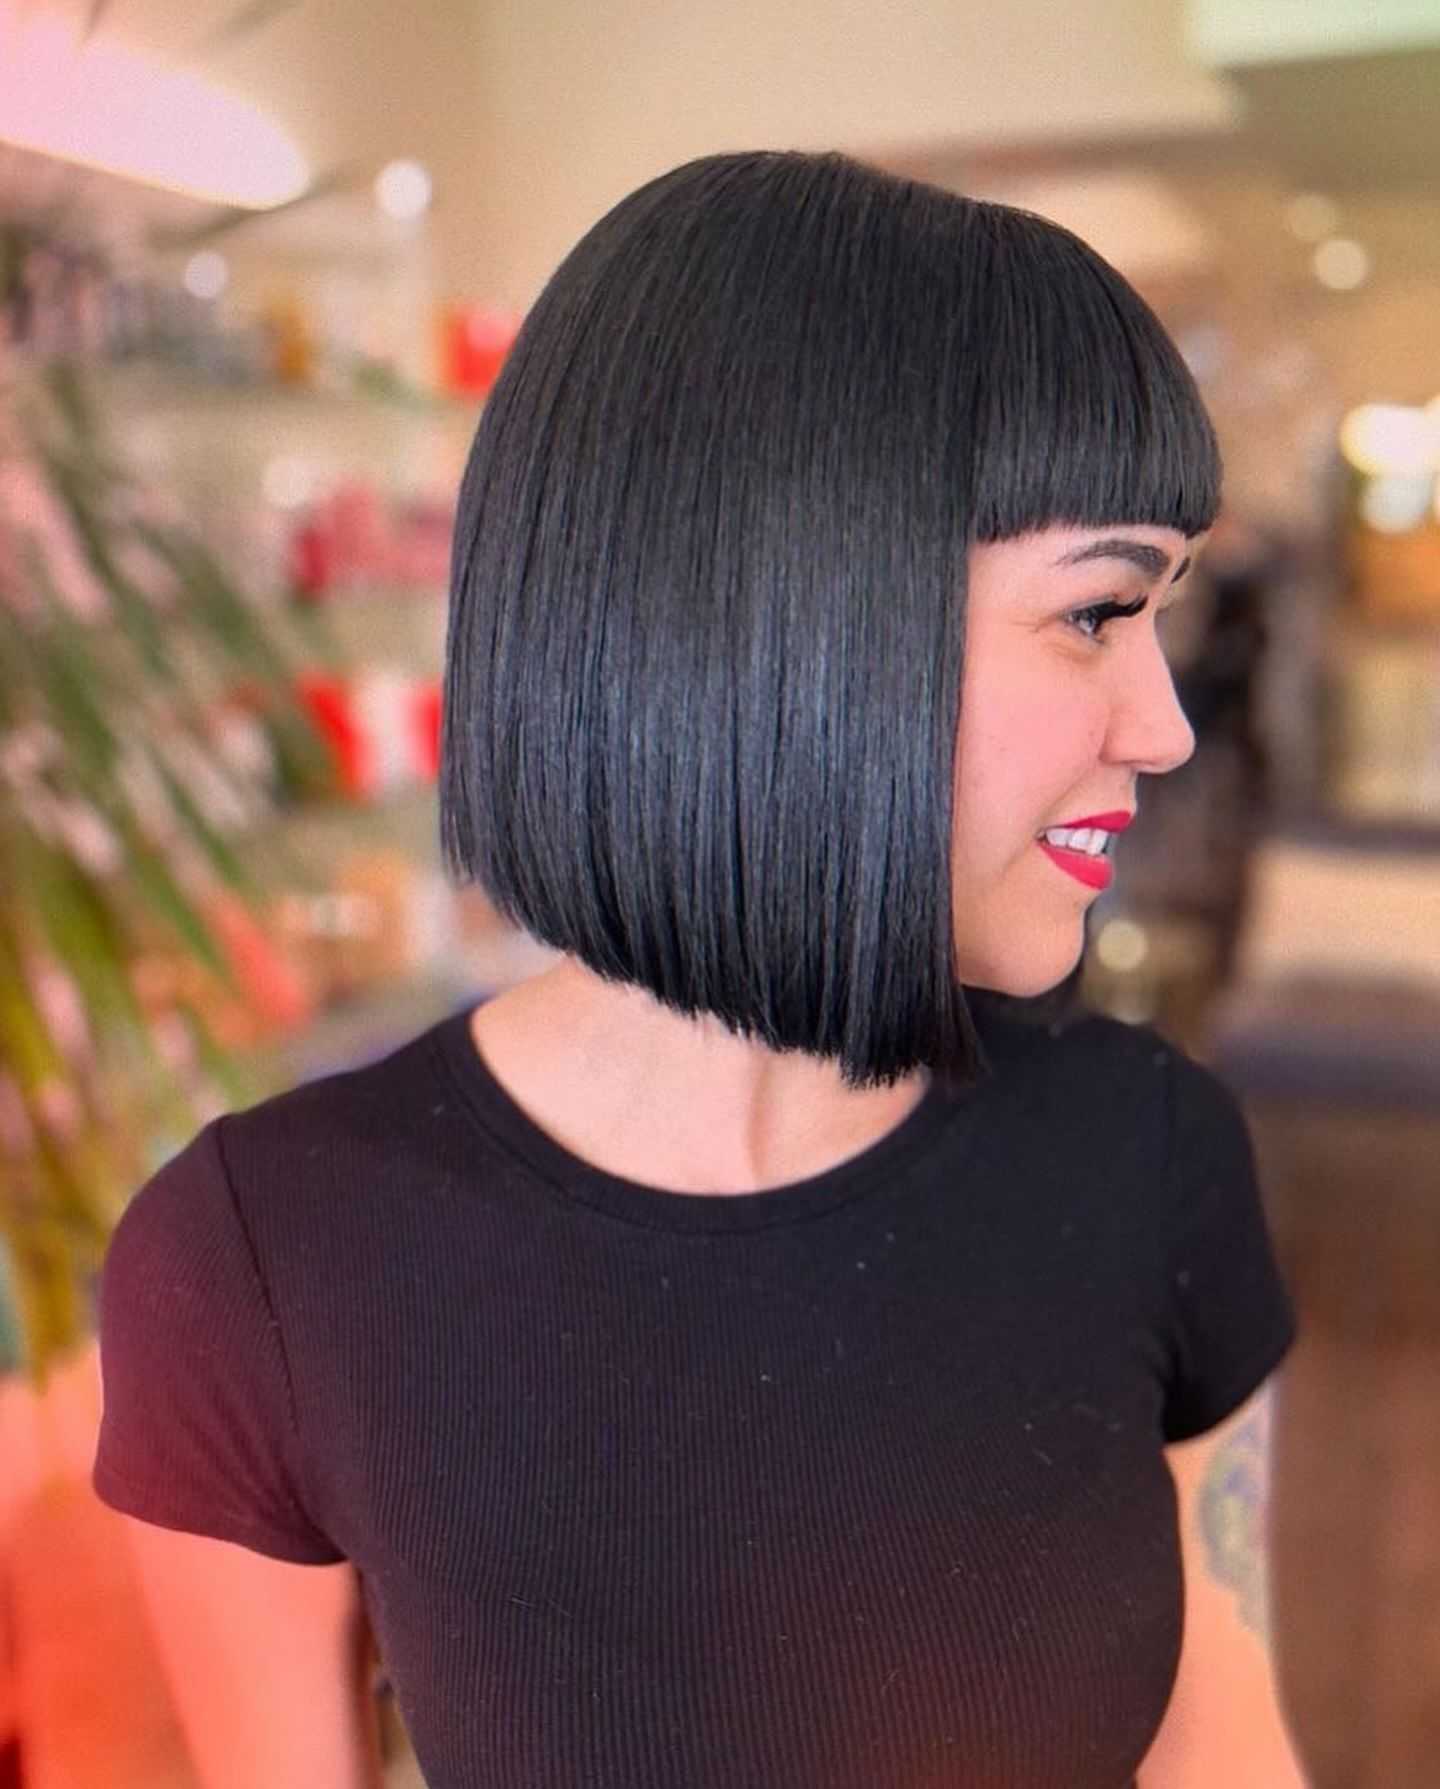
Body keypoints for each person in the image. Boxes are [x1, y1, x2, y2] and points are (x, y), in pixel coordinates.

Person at [91, 150, 1308, 1788]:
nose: (1162, 724)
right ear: (798, 617)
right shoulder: (262, 1260)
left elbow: (1229, 1747)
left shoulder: (1149, 1155)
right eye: (1097, 610)